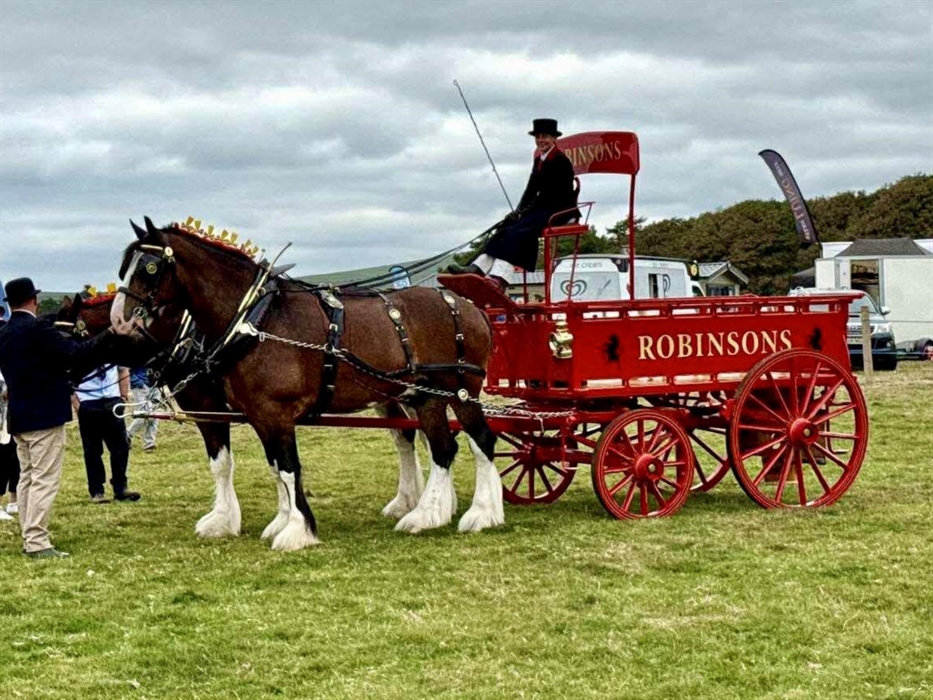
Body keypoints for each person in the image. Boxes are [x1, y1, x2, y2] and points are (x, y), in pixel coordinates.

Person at [0, 277, 119, 558]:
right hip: (45, 414)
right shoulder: (39, 329)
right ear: (34, 300)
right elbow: (74, 354)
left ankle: (29, 532)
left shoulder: (4, 332)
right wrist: (110, 334)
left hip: (19, 414)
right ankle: (37, 541)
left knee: (27, 477)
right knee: (44, 479)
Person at [447, 118, 579, 289]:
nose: (541, 140)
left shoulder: (560, 161)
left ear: (554, 138)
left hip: (558, 209)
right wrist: (518, 211)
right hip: (542, 207)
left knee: (519, 232)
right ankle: (478, 267)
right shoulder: (539, 160)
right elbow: (530, 190)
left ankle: (500, 277)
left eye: (545, 136)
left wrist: (527, 211)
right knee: (505, 229)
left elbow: (552, 195)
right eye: (538, 137)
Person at [73, 364, 140, 503]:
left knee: (121, 448)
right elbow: (68, 380)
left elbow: (123, 370)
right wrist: (77, 405)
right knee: (92, 451)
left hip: (112, 400)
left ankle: (121, 488)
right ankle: (97, 491)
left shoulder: (112, 351)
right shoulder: (77, 352)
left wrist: (123, 396)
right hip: (89, 402)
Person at [126, 367, 158, 451]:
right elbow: (128, 370)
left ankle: (149, 443)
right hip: (141, 387)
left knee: (155, 415)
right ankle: (127, 433)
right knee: (145, 414)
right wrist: (139, 383)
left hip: (155, 385)